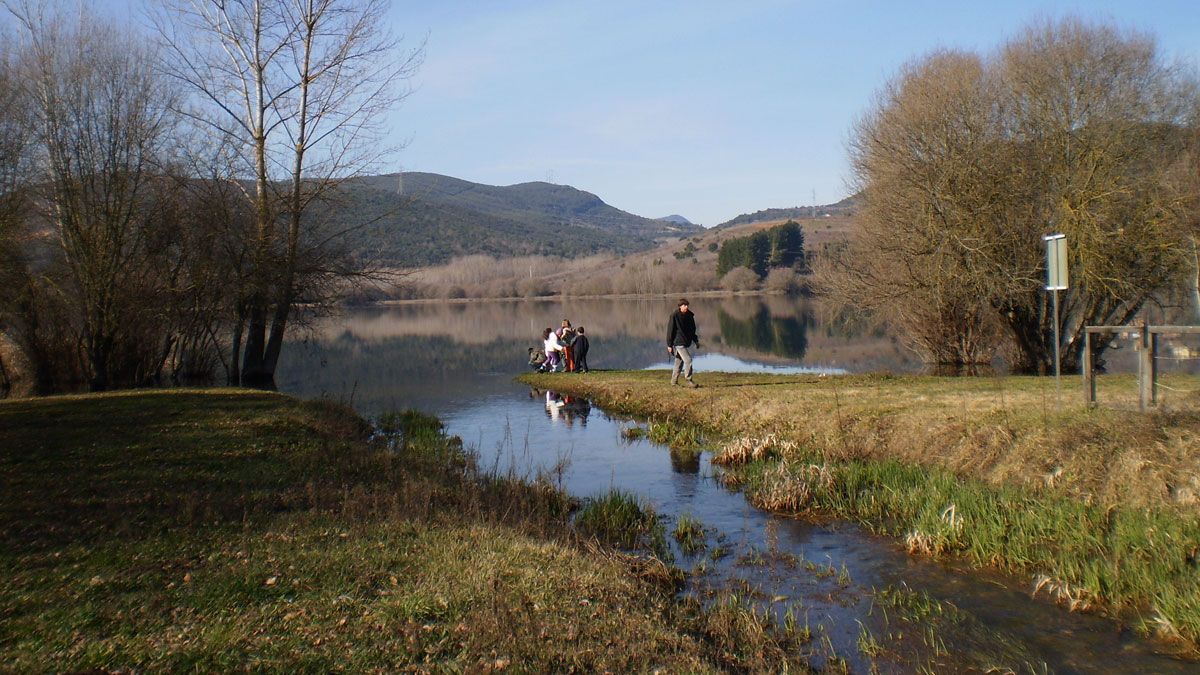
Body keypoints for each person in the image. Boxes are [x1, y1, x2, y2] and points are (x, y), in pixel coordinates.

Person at [666, 298, 699, 387]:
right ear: (680, 306)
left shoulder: (690, 315)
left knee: (679, 363)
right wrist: (669, 345)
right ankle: (689, 380)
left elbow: (692, 330)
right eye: (684, 305)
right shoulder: (674, 315)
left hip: (685, 341)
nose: (686, 307)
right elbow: (670, 331)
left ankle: (673, 382)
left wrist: (696, 340)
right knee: (688, 360)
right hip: (678, 342)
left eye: (687, 305)